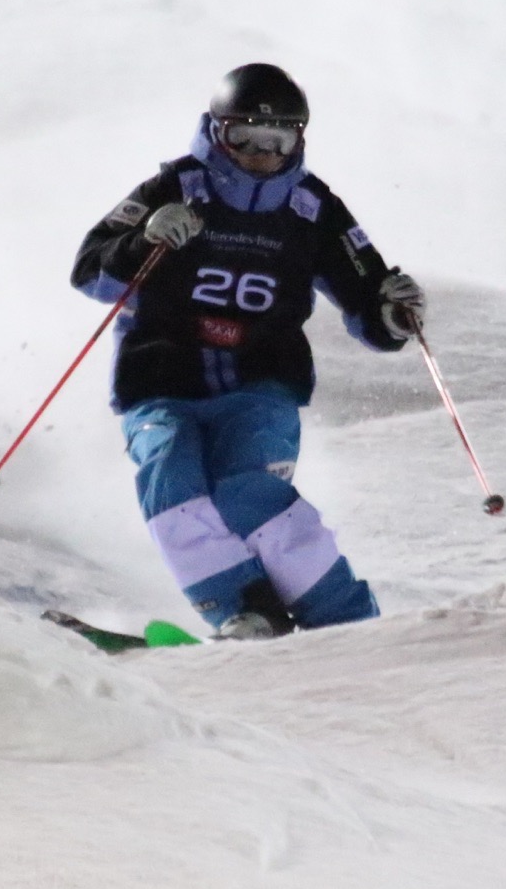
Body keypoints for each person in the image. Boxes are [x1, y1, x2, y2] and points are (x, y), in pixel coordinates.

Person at [71, 64, 425, 641]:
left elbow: (371, 305)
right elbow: (90, 274)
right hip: (160, 379)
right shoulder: (174, 188)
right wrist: (145, 239)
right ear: (217, 132)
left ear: (300, 140)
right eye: (245, 138)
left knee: (245, 489)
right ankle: (245, 608)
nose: (261, 153)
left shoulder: (312, 210)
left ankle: (342, 618)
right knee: (171, 480)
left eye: (278, 140)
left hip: (260, 383)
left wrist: (392, 313)